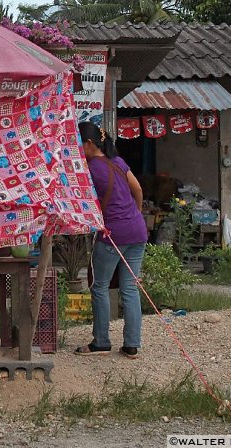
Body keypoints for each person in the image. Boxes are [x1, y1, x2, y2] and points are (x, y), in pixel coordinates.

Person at [74, 122, 148, 359]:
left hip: (112, 235)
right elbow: (138, 190)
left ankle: (101, 342)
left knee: (100, 286)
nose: (76, 149)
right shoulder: (118, 162)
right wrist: (134, 216)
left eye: (78, 143)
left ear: (88, 144)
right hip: (138, 232)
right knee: (130, 288)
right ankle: (132, 345)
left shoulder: (89, 169)